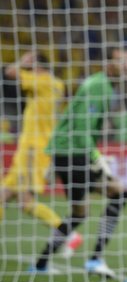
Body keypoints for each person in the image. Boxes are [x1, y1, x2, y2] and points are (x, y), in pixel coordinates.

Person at [31, 47, 127, 278]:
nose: (125, 66)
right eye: (120, 61)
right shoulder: (98, 86)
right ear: (108, 64)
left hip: (66, 151)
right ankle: (95, 260)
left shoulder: (103, 85)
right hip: (73, 151)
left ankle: (41, 262)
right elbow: (81, 128)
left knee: (79, 212)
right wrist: (96, 158)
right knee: (119, 193)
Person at [0, 52, 82, 255]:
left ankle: (66, 232)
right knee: (17, 200)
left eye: (32, 65)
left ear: (38, 66)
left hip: (31, 149)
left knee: (20, 199)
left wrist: (21, 62)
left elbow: (9, 72)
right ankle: (67, 233)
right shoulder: (57, 84)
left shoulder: (41, 82)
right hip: (39, 148)